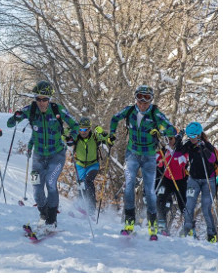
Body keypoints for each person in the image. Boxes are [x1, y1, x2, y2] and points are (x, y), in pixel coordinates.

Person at [7, 81, 79, 230]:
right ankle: (44, 214)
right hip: (38, 156)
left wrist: (72, 136)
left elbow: (75, 126)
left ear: (49, 99)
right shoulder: (30, 110)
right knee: (36, 187)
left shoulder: (57, 110)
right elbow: (9, 124)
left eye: (44, 99)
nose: (41, 102)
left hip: (56, 155)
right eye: (38, 99)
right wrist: (15, 116)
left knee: (51, 183)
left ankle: (52, 220)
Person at [109, 85, 177, 237]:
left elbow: (171, 129)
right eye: (140, 98)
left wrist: (160, 132)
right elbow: (114, 118)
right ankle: (129, 221)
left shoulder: (155, 113)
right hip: (132, 153)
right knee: (128, 186)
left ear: (151, 100)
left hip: (149, 156)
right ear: (136, 98)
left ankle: (152, 224)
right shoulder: (130, 110)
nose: (143, 103)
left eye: (146, 99)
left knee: (149, 191)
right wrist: (112, 134)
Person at [176, 122, 217, 243]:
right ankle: (187, 230)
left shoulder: (207, 145)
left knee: (206, 208)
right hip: (193, 180)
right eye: (189, 136)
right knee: (189, 205)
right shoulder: (189, 144)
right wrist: (179, 139)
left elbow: (212, 159)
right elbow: (178, 153)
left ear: (199, 135)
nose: (191, 139)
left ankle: (211, 234)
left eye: (193, 136)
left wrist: (203, 148)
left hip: (208, 180)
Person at [72, 117, 110, 217]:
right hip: (80, 165)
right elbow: (65, 138)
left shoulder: (95, 137)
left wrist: (102, 132)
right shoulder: (76, 137)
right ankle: (82, 207)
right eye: (81, 129)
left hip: (93, 165)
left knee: (88, 181)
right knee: (81, 185)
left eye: (85, 129)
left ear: (89, 129)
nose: (83, 131)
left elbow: (108, 138)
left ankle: (92, 210)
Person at [155, 136, 188, 236]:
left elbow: (182, 163)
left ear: (176, 139)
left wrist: (173, 153)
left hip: (180, 180)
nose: (168, 141)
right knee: (161, 199)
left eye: (171, 139)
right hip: (167, 179)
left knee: (183, 204)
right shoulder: (165, 150)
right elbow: (159, 163)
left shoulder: (183, 150)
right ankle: (162, 225)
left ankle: (189, 227)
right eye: (167, 139)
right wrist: (160, 158)